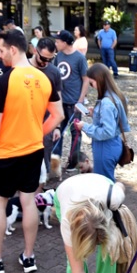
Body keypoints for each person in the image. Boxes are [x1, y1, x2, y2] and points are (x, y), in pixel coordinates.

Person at [0, 29, 63, 273]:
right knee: (28, 201)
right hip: (33, 151)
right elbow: (58, 115)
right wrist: (37, 133)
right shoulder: (44, 79)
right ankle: (28, 257)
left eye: (1, 50)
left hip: (4, 153)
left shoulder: (4, 81)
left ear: (13, 49)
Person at [54, 174, 125, 273]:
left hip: (100, 186)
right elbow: (78, 272)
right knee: (74, 261)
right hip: (65, 192)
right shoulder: (67, 224)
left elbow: (120, 185)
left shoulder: (113, 198)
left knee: (109, 254)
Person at [74, 63, 130, 182]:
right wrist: (96, 114)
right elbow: (114, 120)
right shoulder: (116, 95)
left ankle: (116, 194)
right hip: (114, 144)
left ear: (99, 80)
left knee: (104, 183)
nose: (92, 87)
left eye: (91, 83)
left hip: (105, 148)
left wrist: (85, 126)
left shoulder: (106, 103)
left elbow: (107, 132)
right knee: (107, 181)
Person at [28, 37, 63, 185]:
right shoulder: (23, 68)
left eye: (51, 59)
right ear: (35, 51)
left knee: (44, 161)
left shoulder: (54, 72)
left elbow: (58, 100)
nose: (46, 62)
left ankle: (40, 191)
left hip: (46, 124)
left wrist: (57, 127)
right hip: (24, 124)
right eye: (43, 58)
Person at [53, 29, 89, 172]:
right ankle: (55, 161)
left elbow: (85, 80)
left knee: (75, 133)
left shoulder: (79, 58)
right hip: (60, 101)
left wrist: (80, 101)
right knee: (57, 131)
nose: (56, 44)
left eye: (58, 41)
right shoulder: (58, 56)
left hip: (74, 102)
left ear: (65, 42)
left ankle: (73, 162)